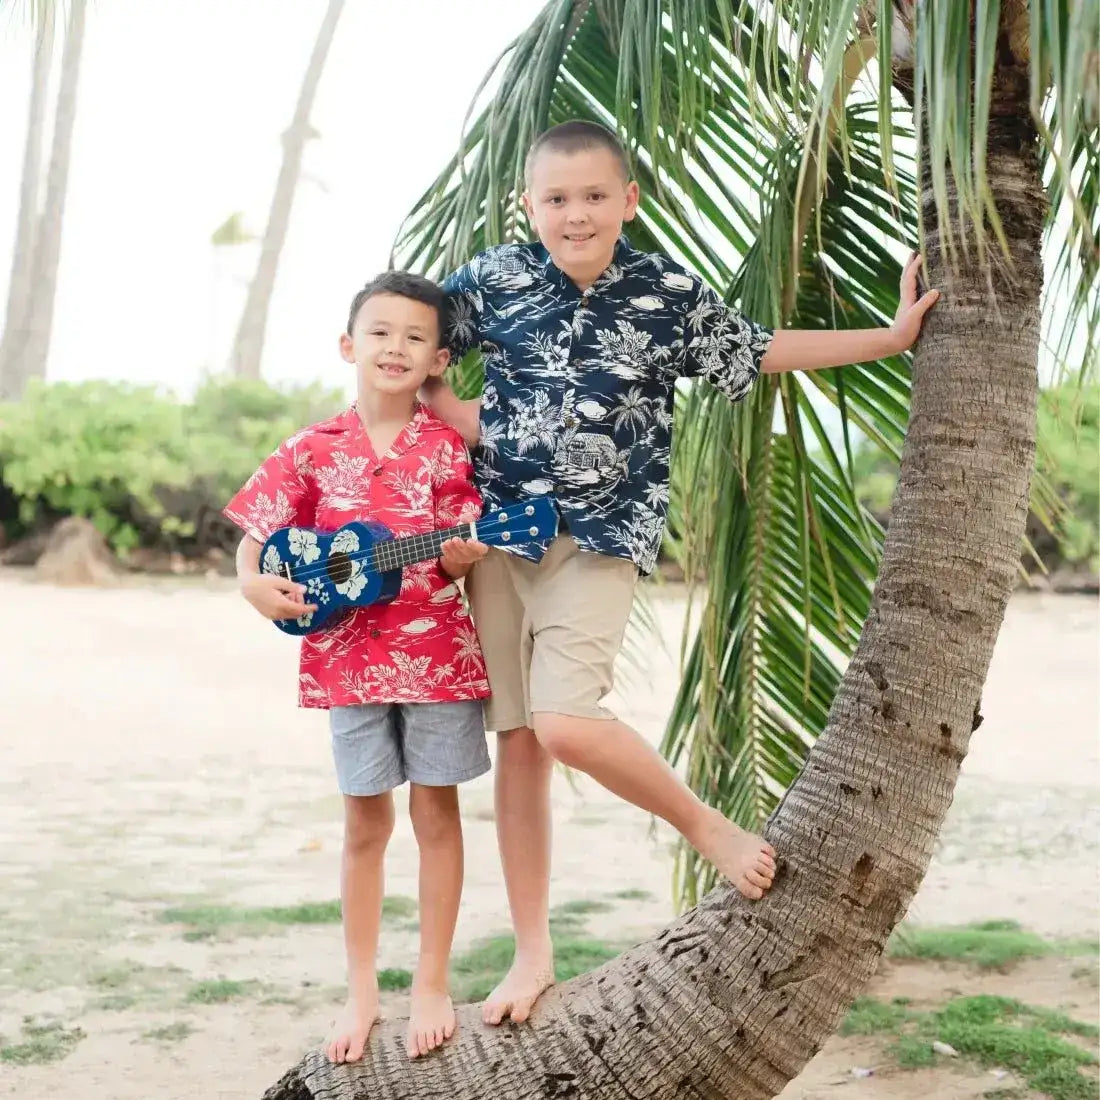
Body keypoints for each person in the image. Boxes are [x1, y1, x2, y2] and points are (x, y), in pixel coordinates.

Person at [424, 119, 940, 1027]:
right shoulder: (489, 281)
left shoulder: (663, 293)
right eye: (556, 199)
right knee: (518, 745)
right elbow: (409, 348)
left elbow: (758, 348)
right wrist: (456, 415)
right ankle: (531, 950)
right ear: (528, 206)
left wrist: (891, 340)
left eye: (593, 197)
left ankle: (703, 824)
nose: (574, 215)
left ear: (629, 200)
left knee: (565, 721)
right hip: (494, 541)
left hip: (600, 537)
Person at [225, 272, 492, 1063]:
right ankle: (363, 989)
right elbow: (255, 531)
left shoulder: (446, 448)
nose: (395, 348)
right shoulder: (312, 448)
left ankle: (433, 981)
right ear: (350, 345)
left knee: (436, 817)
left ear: (437, 359)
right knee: (364, 826)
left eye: (414, 337)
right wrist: (252, 585)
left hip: (436, 657)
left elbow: (454, 565)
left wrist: (459, 559)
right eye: (380, 333)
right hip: (346, 662)